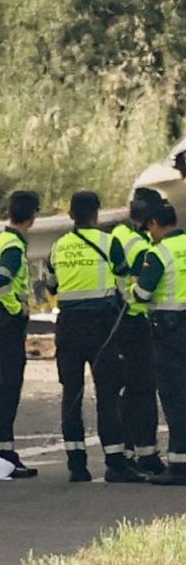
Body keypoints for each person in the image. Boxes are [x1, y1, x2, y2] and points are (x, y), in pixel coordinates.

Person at [47, 191, 141, 483]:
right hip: (102, 327)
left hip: (68, 325)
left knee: (71, 394)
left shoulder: (58, 247)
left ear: (71, 215)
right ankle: (115, 462)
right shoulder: (108, 242)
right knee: (108, 394)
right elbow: (125, 280)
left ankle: (77, 465)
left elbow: (51, 286)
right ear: (96, 214)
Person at [0, 190, 40, 478]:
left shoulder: (0, 240)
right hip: (6, 322)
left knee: (4, 387)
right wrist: (17, 308)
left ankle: (3, 453)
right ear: (33, 216)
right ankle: (1, 457)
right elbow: (0, 279)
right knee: (7, 389)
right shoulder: (14, 246)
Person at [132, 204, 186, 485]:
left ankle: (179, 465)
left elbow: (142, 292)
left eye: (149, 229)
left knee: (176, 396)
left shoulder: (159, 253)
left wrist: (131, 289)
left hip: (170, 330)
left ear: (154, 223)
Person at [113, 188, 165, 474]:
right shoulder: (141, 246)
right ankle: (146, 453)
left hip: (115, 322)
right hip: (135, 322)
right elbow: (140, 291)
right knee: (143, 390)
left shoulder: (119, 234)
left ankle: (128, 451)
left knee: (127, 389)